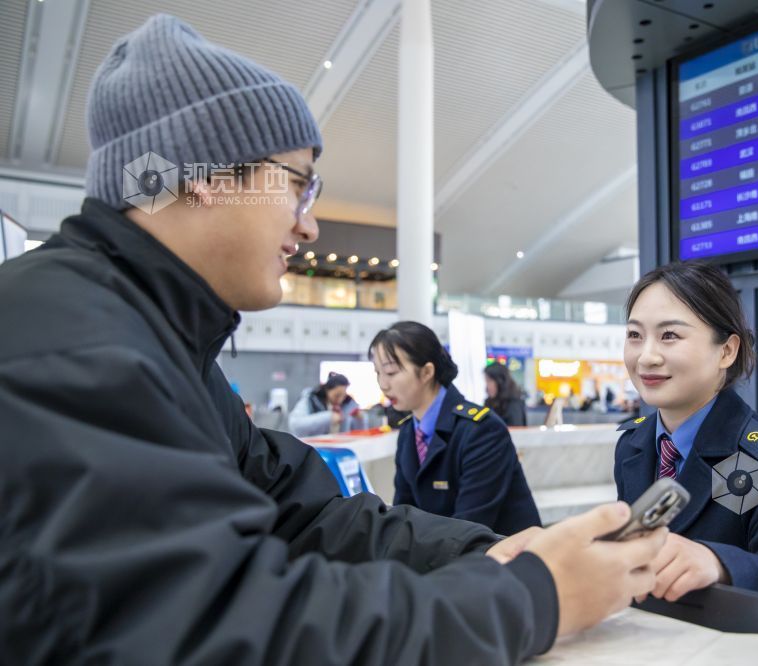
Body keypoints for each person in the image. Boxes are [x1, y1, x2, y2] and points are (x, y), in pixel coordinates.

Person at [0, 15, 670, 664]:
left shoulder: (160, 343)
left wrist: (490, 555)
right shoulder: (72, 343)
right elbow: (223, 628)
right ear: (202, 174)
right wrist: (530, 598)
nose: (310, 225)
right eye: (299, 184)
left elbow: (307, 518)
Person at [614, 261, 758, 635]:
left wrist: (718, 562)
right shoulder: (633, 447)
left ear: (727, 351)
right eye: (635, 335)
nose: (646, 356)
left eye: (670, 335)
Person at [371, 322, 540, 534]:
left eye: (391, 372)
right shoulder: (408, 433)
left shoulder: (481, 430)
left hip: (501, 560)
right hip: (445, 557)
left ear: (426, 372)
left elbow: (470, 528)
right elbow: (404, 516)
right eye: (377, 373)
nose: (383, 384)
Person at [288, 371, 362, 436]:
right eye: (336, 395)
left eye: (343, 396)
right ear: (327, 390)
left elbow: (359, 434)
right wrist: (329, 417)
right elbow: (295, 425)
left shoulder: (347, 405)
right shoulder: (311, 400)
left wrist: (359, 419)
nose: (340, 400)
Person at [484, 362, 528, 427]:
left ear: (500, 381)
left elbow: (515, 432)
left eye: (490, 381)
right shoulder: (489, 402)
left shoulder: (513, 404)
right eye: (486, 381)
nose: (487, 386)